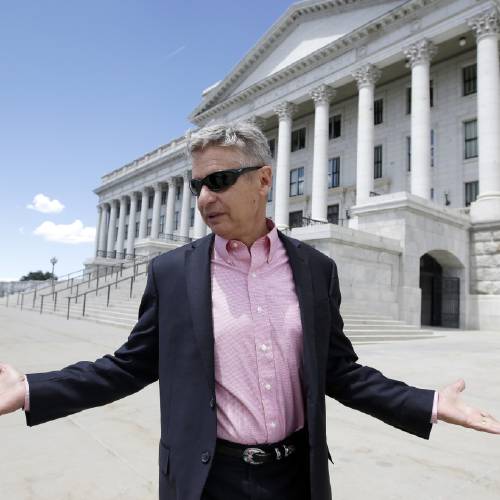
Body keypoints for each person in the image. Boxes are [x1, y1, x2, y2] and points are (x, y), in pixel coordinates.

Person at [0, 122, 499, 500]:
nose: (204, 197)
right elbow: (129, 365)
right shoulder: (173, 273)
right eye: (198, 184)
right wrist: (31, 390)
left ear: (263, 179)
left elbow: (341, 372)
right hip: (205, 479)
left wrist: (429, 403)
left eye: (218, 179)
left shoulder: (316, 269)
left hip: (295, 478)